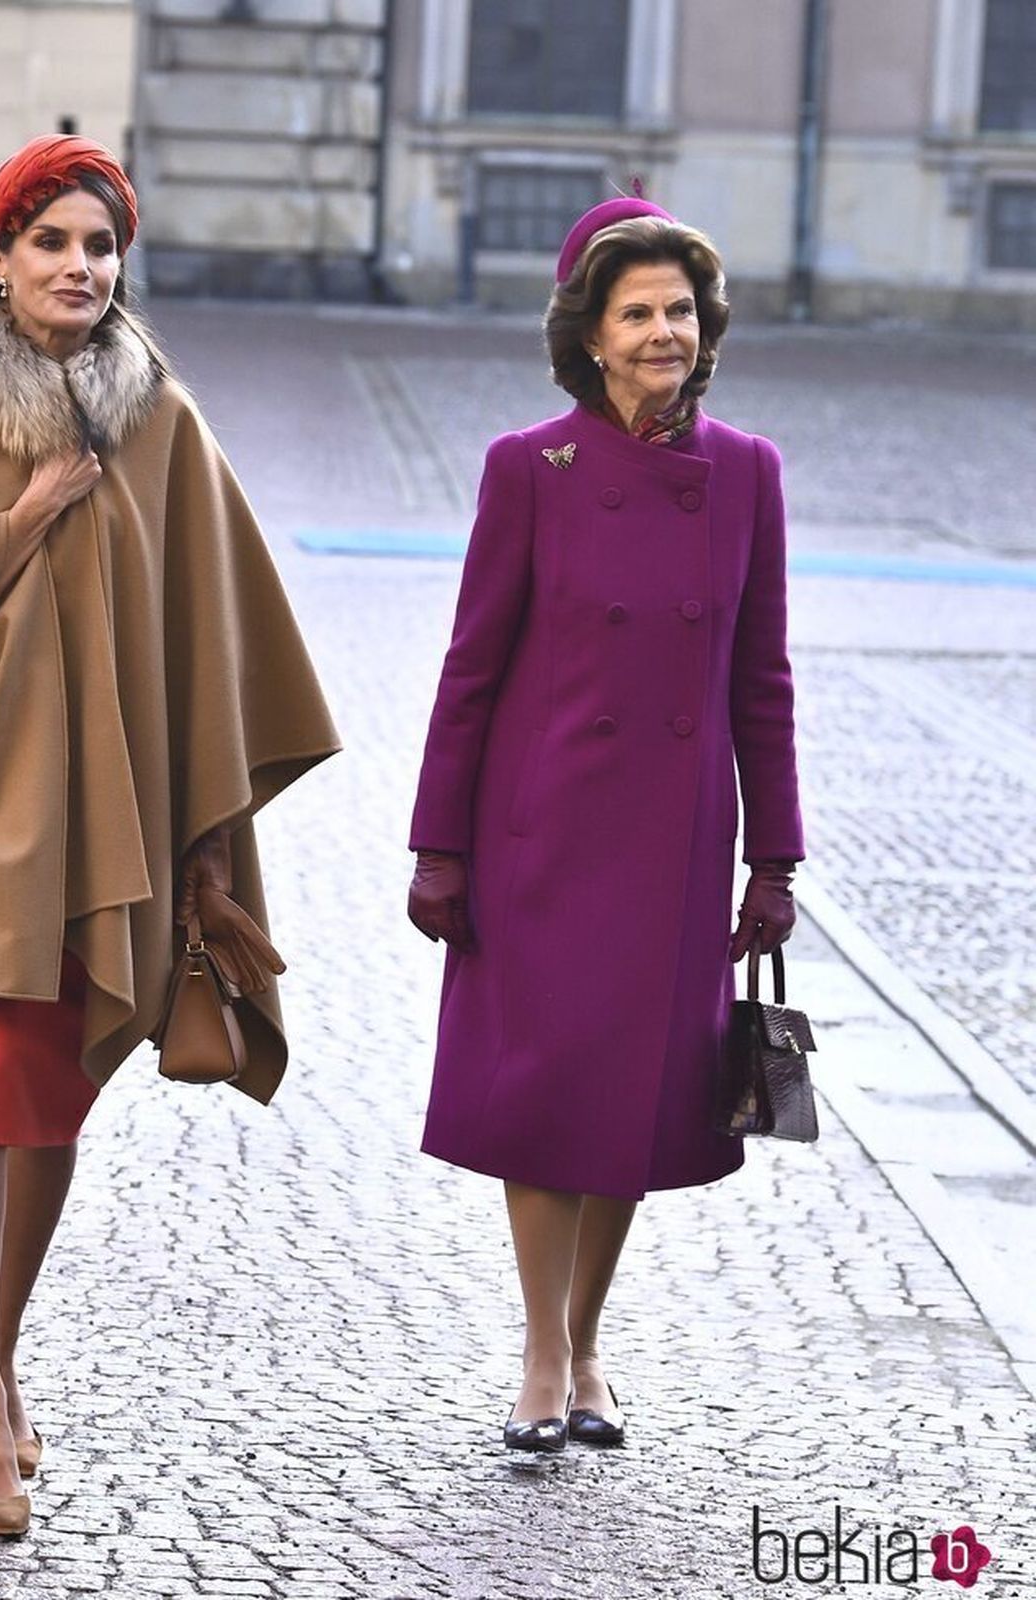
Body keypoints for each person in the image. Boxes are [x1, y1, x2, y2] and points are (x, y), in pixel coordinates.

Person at [0, 135, 340, 1536]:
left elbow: (214, 629)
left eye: (98, 246)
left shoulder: (157, 413)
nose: (77, 268)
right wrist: (24, 519)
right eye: (48, 242)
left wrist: (210, 834)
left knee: (51, 1093)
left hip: (110, 808)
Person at [406, 195, 802, 1454]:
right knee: (548, 1091)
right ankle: (539, 1350)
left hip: (678, 842)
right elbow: (469, 668)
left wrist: (774, 855)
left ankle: (589, 1345)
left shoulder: (746, 473)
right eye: (636, 313)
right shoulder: (530, 467)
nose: (662, 334)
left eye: (679, 311)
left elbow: (762, 677)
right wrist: (439, 844)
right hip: (545, 835)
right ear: (587, 335)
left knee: (635, 1101)